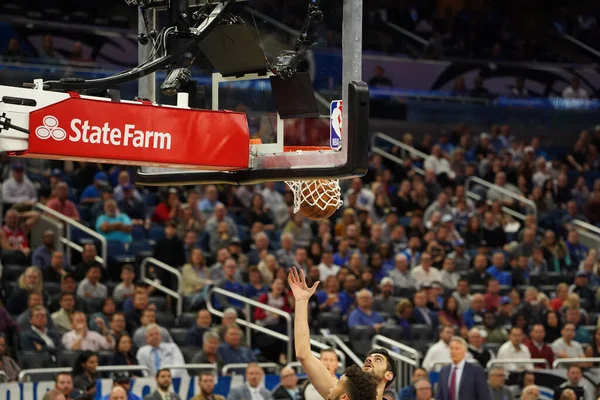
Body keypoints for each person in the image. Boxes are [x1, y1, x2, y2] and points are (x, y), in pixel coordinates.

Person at [288, 267, 394, 400]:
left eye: (378, 359)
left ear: (388, 375)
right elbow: (303, 355)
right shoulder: (343, 390)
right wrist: (301, 302)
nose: (369, 359)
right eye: (369, 357)